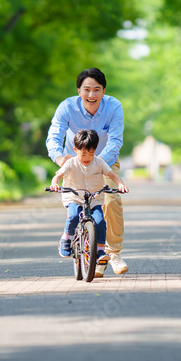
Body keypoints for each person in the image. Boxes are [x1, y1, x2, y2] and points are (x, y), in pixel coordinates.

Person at [47, 68, 129, 276]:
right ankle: (74, 240)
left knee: (111, 200)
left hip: (104, 160)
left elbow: (115, 140)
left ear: (104, 91)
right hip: (74, 162)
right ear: (79, 90)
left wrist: (100, 163)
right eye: (87, 90)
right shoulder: (66, 107)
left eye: (97, 90)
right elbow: (54, 136)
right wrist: (59, 158)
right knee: (76, 204)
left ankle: (112, 254)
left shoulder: (113, 106)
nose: (91, 95)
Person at [49, 130, 129, 267]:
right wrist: (54, 183)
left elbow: (112, 174)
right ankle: (66, 238)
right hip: (74, 197)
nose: (87, 158)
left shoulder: (99, 162)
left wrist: (120, 184)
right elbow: (58, 175)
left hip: (94, 198)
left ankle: (99, 250)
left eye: (91, 153)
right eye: (83, 154)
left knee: (100, 221)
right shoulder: (71, 163)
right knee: (73, 216)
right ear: (75, 150)